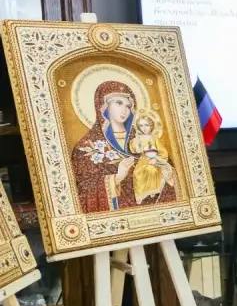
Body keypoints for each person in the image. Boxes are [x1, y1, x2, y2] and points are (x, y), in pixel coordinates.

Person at [71, 81, 177, 213]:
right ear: (103, 105)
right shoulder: (86, 147)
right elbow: (82, 191)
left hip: (158, 212)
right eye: (119, 103)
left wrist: (164, 168)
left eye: (128, 106)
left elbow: (173, 173)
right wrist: (116, 178)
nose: (124, 110)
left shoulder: (144, 138)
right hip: (119, 218)